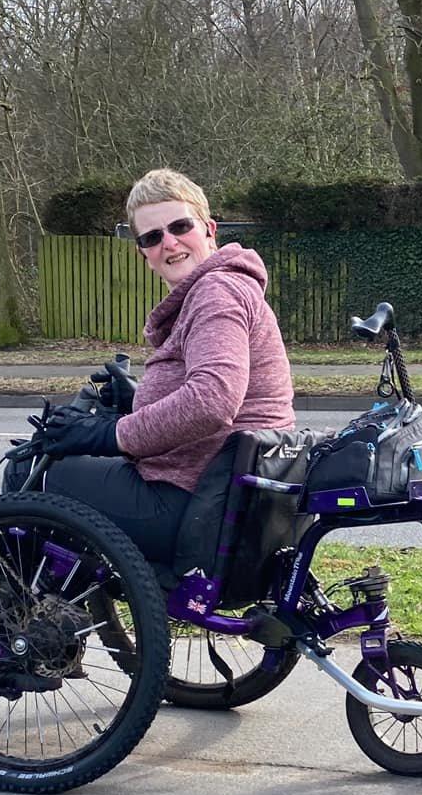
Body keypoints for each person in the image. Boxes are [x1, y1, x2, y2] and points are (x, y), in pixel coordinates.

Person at [23, 168, 296, 564]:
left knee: (36, 473)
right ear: (144, 254)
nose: (169, 242)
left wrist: (108, 433)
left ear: (208, 229)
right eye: (152, 237)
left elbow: (212, 401)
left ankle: (36, 615)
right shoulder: (221, 290)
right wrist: (135, 400)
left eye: (180, 226)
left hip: (195, 503)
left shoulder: (216, 292)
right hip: (222, 497)